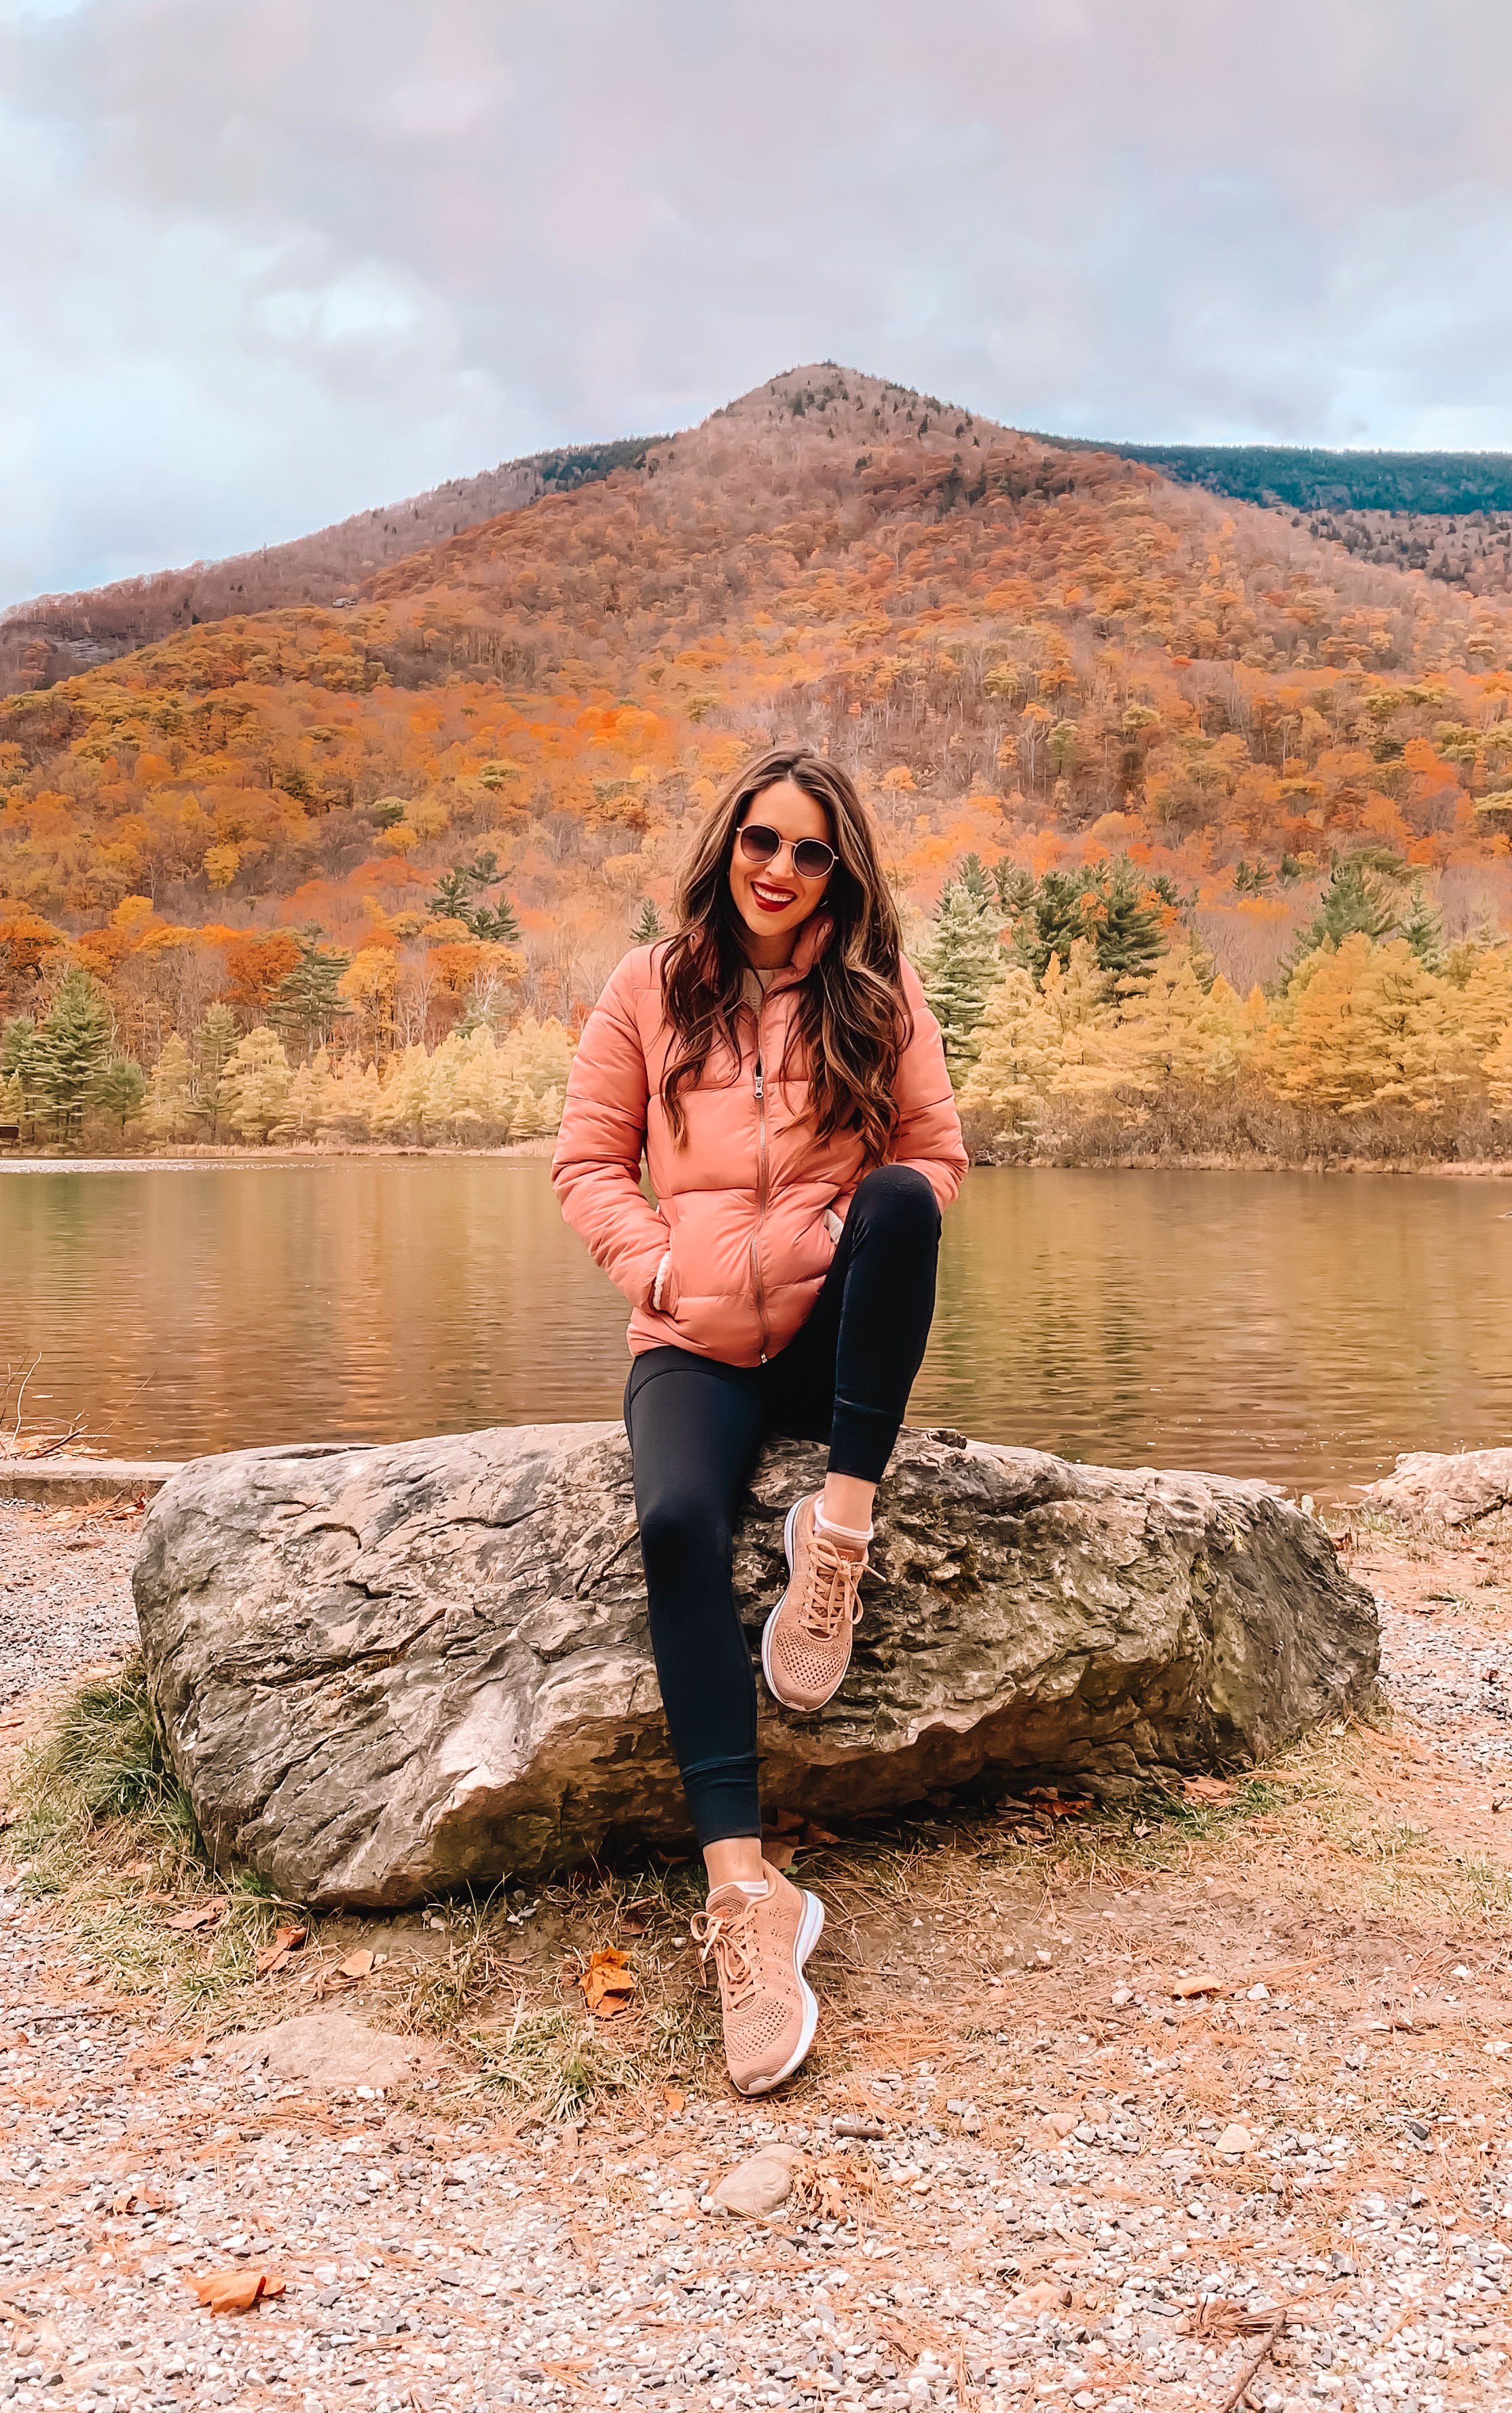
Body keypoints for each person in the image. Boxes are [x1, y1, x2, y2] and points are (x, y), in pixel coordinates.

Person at [553, 745, 968, 2095]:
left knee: (901, 1203)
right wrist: (662, 1271)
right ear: (726, 845)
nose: (781, 871)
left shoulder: (876, 991)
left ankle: (834, 1537)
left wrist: (840, 1226)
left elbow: (935, 1159)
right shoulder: (647, 988)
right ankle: (747, 1896)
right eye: (763, 842)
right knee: (674, 1523)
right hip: (697, 1340)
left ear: (837, 870)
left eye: (810, 851)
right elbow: (586, 1165)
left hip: (827, 1338)